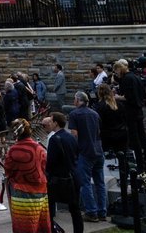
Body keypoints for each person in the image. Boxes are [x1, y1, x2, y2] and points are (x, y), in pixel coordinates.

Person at [2, 119, 49, 233]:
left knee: (24, 226)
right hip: (41, 191)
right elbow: (45, 167)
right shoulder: (39, 148)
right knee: (41, 225)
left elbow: (8, 170)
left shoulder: (14, 150)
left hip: (22, 193)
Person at [67, 92, 106, 222]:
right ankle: (102, 211)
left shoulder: (74, 114)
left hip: (85, 151)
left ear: (78, 101)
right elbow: (99, 132)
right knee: (100, 183)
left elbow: (74, 134)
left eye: (74, 99)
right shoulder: (95, 114)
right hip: (98, 150)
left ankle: (91, 212)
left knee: (85, 183)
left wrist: (74, 151)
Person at [45, 113, 82, 233]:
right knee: (75, 209)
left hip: (59, 177)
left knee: (50, 208)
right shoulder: (71, 137)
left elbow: (50, 161)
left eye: (51, 121)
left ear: (56, 123)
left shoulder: (54, 139)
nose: (49, 123)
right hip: (73, 174)